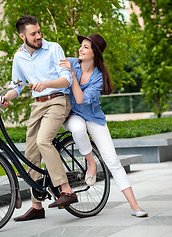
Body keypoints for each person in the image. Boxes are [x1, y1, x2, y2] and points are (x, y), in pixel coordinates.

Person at [59, 33, 148, 217]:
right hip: (72, 115)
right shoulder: (71, 62)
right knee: (78, 128)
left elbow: (80, 98)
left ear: (95, 54)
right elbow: (48, 61)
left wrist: (73, 77)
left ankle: (135, 206)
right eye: (81, 45)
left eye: (85, 47)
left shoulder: (98, 77)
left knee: (113, 161)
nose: (80, 49)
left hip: (93, 117)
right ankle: (91, 163)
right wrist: (27, 51)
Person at [1, 15, 78, 221]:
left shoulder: (54, 49)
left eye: (39, 31)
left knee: (43, 140)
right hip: (37, 105)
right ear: (22, 36)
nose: (38, 36)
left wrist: (46, 83)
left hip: (57, 100)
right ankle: (37, 205)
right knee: (31, 152)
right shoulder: (19, 57)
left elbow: (66, 79)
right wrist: (6, 97)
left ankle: (67, 190)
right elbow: (16, 85)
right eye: (33, 33)